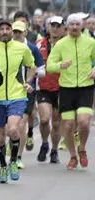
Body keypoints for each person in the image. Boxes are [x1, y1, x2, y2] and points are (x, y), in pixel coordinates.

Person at [0, 20, 35, 182]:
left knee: (13, 129)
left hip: (17, 95)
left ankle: (13, 161)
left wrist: (27, 82)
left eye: (8, 29)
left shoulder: (22, 48)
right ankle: (3, 166)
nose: (5, 31)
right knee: (0, 136)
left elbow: (31, 66)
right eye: (1, 29)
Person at [46, 13, 95, 169]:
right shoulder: (60, 45)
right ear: (67, 27)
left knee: (84, 122)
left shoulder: (90, 42)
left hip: (85, 87)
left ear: (82, 26)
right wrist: (61, 66)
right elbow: (49, 65)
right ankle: (73, 156)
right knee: (67, 125)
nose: (74, 27)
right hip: (66, 88)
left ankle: (82, 149)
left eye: (77, 24)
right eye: (71, 24)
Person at [12, 20, 45, 168]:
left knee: (22, 123)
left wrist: (31, 76)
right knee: (9, 127)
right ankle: (11, 147)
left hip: (26, 90)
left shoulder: (31, 48)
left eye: (20, 32)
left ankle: (18, 156)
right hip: (8, 91)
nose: (17, 35)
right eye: (15, 32)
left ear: (26, 32)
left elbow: (42, 70)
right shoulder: (5, 48)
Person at [35, 16, 64, 164]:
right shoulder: (40, 44)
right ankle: (45, 143)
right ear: (48, 27)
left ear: (63, 28)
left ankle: (54, 150)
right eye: (53, 25)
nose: (55, 28)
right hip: (43, 87)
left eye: (58, 25)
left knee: (57, 122)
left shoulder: (67, 45)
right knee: (45, 119)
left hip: (62, 87)